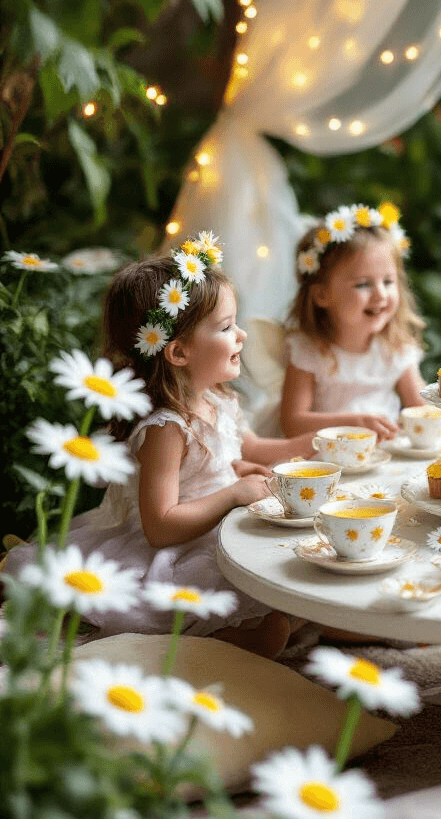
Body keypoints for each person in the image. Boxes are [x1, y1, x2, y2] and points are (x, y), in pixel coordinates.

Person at [6, 233, 317, 660]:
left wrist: (312, 443)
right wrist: (232, 492)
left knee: (296, 583)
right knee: (260, 604)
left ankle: (262, 628)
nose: (242, 334)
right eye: (226, 327)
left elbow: (251, 447)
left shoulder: (216, 399)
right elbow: (160, 526)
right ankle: (206, 645)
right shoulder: (167, 429)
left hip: (214, 531)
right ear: (179, 352)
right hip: (176, 551)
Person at [278, 204, 426, 441]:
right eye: (363, 284)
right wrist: (353, 423)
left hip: (385, 455)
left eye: (388, 281)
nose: (380, 294)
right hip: (326, 456)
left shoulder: (395, 348)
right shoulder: (308, 350)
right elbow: (292, 423)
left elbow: (423, 411)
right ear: (322, 295)